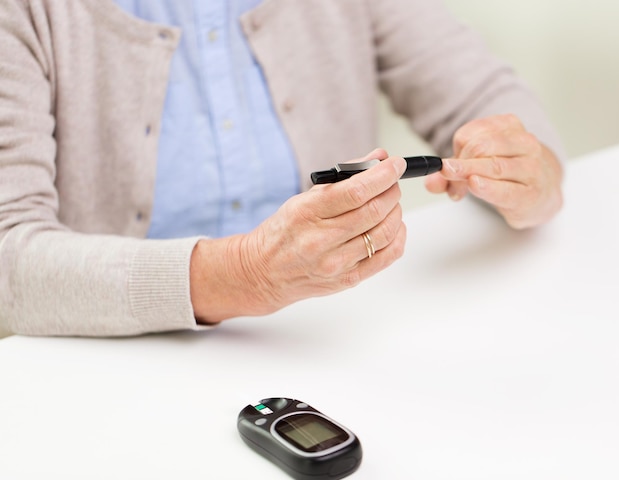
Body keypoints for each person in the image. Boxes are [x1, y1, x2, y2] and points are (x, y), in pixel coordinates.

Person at [0, 0, 564, 337]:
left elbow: (489, 97)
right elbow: (10, 259)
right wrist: (243, 275)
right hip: (106, 366)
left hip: (333, 340)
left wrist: (529, 170)